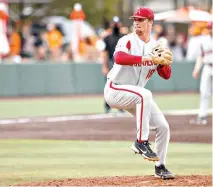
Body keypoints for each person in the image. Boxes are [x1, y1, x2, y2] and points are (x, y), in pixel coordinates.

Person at [104, 7, 175, 179]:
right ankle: (141, 142)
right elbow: (119, 58)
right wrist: (148, 59)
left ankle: (161, 166)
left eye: (141, 20)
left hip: (136, 97)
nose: (137, 23)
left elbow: (166, 76)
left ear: (151, 22)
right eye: (135, 19)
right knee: (145, 94)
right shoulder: (127, 40)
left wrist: (163, 64)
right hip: (115, 89)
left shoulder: (156, 47)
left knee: (163, 127)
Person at [189, 23, 212, 125]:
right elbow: (200, 56)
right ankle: (202, 116)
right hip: (207, 66)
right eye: (209, 28)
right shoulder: (204, 40)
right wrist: (197, 69)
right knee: (204, 92)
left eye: (211, 27)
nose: (210, 29)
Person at [102, 16, 124, 113]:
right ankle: (107, 106)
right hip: (111, 62)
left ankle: (121, 107)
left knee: (121, 86)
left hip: (122, 64)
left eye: (117, 23)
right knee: (109, 86)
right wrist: (104, 66)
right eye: (114, 23)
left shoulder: (124, 37)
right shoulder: (107, 38)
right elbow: (105, 53)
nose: (115, 25)